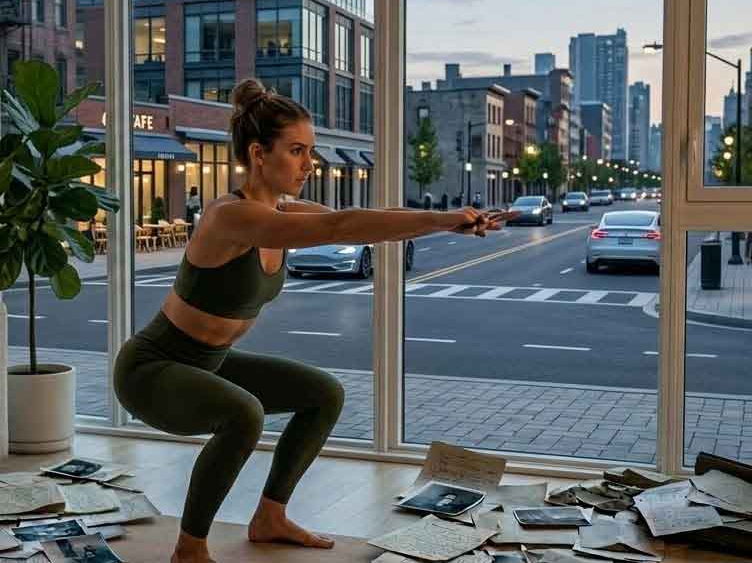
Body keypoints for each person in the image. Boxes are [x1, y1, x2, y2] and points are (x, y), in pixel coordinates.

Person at [112, 78, 515, 563]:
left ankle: (270, 516)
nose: (309, 164)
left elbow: (359, 219)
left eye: (311, 151)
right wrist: (444, 219)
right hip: (153, 369)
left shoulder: (281, 212)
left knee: (323, 394)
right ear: (259, 154)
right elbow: (339, 227)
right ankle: (190, 549)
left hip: (208, 362)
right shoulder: (228, 217)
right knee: (244, 414)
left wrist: (456, 219)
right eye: (298, 151)